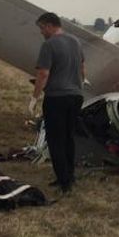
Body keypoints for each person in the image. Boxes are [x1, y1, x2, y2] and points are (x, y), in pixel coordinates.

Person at [31, 12, 85, 193]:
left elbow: (43, 74)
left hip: (56, 98)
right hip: (76, 96)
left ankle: (64, 182)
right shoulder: (75, 41)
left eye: (41, 28)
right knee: (69, 138)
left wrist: (34, 97)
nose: (41, 32)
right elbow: (82, 69)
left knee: (55, 140)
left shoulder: (49, 45)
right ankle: (69, 176)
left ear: (49, 25)